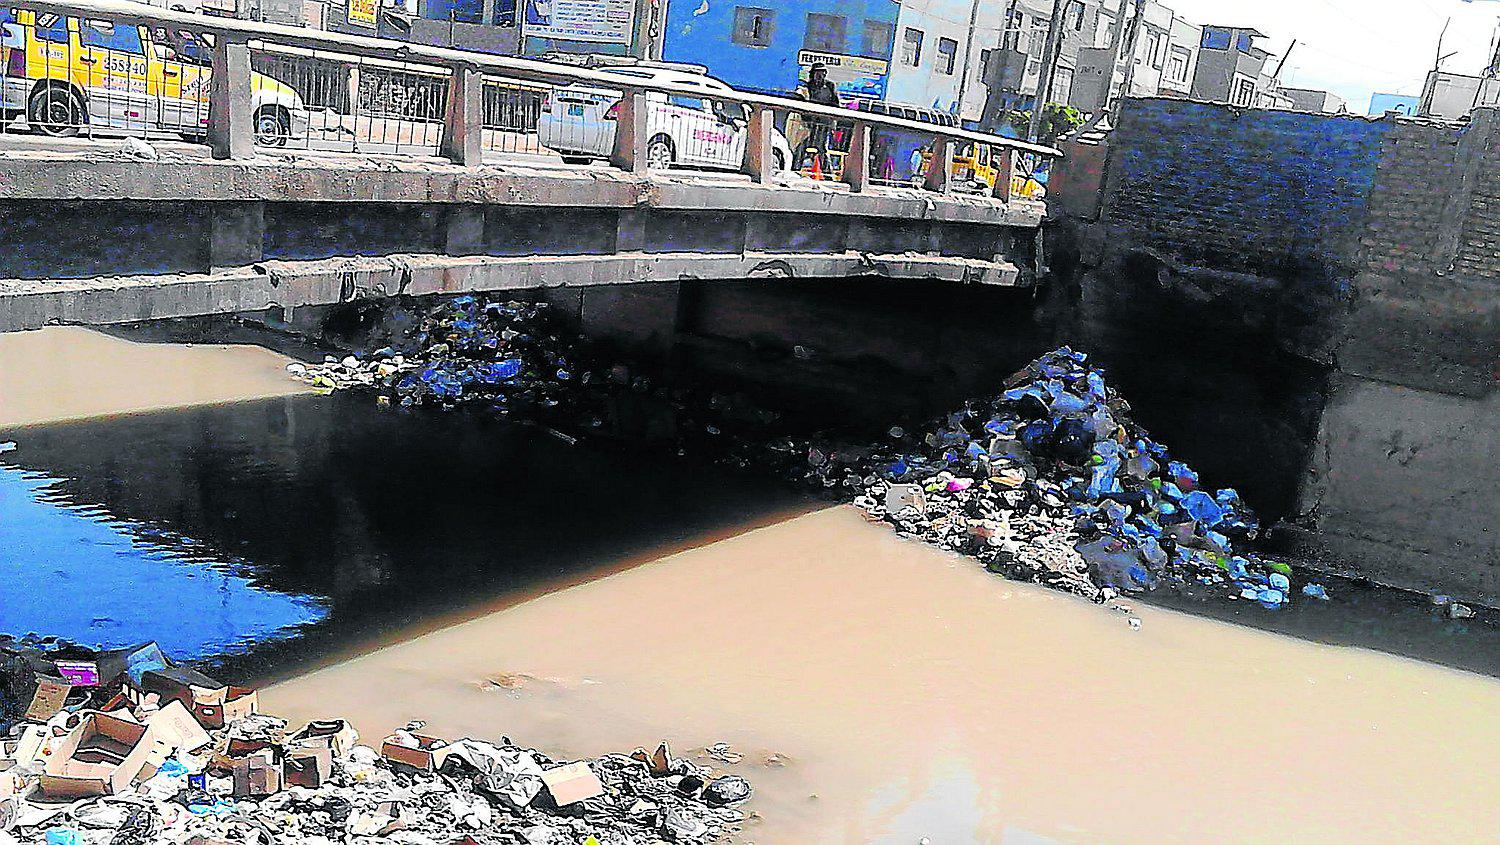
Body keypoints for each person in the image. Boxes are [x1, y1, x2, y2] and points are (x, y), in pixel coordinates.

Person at [794, 62, 841, 172]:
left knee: (821, 148)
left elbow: (836, 104)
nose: (819, 76)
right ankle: (795, 169)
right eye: (817, 73)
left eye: (822, 73)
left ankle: (827, 172)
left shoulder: (830, 86)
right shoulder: (808, 87)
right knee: (801, 146)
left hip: (824, 124)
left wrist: (832, 120)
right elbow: (801, 98)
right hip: (808, 123)